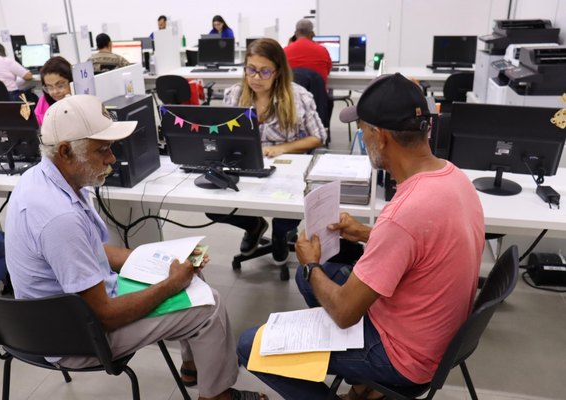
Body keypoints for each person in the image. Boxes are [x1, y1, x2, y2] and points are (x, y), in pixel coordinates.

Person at [237, 73, 485, 400]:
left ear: (380, 137)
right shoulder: (454, 178)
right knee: (316, 276)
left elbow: (343, 312)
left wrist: (311, 264)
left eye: (363, 130)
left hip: (403, 356)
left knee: (250, 346)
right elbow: (427, 245)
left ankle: (363, 382)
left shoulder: (404, 213)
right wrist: (368, 233)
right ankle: (361, 389)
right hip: (434, 333)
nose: (362, 138)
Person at [4, 94, 267, 400]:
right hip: (75, 339)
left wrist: (155, 260)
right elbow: (105, 316)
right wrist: (170, 284)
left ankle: (195, 366)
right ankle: (216, 396)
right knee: (208, 305)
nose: (112, 158)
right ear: (65, 151)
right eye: (102, 149)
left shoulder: (41, 179)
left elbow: (86, 252)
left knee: (188, 272)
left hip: (52, 320)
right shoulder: (59, 217)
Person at [206, 38, 326, 265]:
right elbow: (223, 134)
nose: (256, 78)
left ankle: (281, 233)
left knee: (287, 212)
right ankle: (254, 225)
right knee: (211, 205)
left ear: (278, 71)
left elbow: (319, 136)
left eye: (264, 71)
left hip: (285, 171)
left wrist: (282, 148)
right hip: (245, 166)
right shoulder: (234, 94)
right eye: (250, 70)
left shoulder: (298, 96)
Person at [284, 19, 332, 86]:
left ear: (295, 34)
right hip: (316, 95)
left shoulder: (285, 51)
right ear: (312, 34)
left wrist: (289, 45)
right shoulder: (323, 50)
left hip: (294, 95)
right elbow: (328, 71)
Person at [34, 56, 72, 125]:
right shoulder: (43, 101)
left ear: (71, 82)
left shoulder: (82, 102)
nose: (55, 92)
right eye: (50, 87)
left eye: (60, 86)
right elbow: (36, 124)